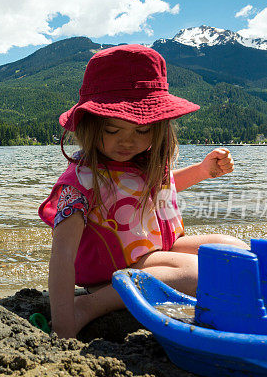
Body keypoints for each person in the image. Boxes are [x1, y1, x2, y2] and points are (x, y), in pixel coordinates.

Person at [39, 44, 249, 339]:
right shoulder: (81, 182)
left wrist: (202, 171)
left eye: (141, 131)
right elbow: (62, 253)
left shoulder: (144, 164)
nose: (128, 142)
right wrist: (64, 323)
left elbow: (156, 192)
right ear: (89, 125)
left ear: (159, 127)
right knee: (200, 274)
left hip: (153, 252)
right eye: (113, 130)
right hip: (111, 272)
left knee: (239, 253)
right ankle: (88, 306)